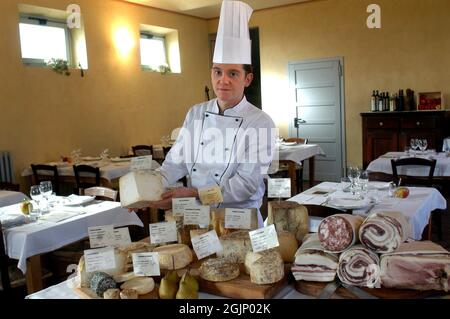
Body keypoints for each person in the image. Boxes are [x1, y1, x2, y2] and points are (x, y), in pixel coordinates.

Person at [148, 1, 276, 226]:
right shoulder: (196, 113)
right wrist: (148, 191)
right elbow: (175, 162)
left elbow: (247, 185)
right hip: (196, 219)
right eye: (217, 71)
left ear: (247, 79)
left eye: (233, 73)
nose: (222, 80)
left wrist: (195, 193)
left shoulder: (260, 122)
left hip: (239, 221)